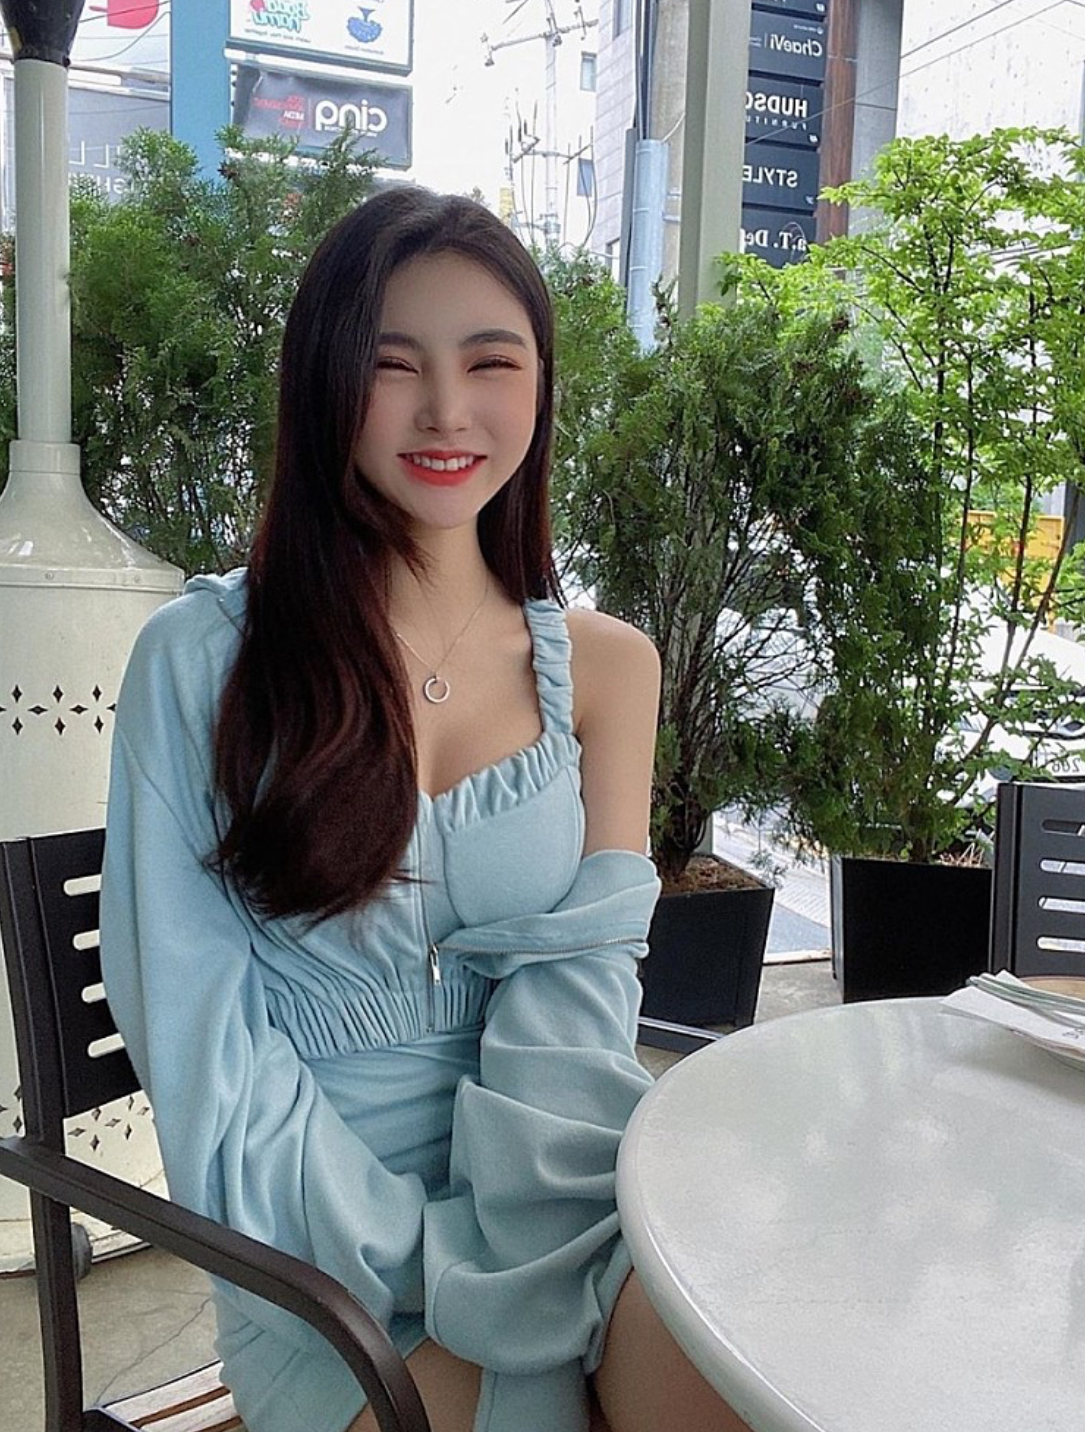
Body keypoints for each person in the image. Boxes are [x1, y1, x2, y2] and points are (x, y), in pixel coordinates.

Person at [100, 187, 750, 1432]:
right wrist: (427, 1259)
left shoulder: (608, 669)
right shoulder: (202, 662)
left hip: (555, 1190)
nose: (446, 409)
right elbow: (203, 1047)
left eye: (489, 362)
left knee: (747, 1385)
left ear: (539, 386)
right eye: (392, 365)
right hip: (316, 1264)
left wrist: (532, 1245)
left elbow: (581, 989)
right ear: (324, 385)